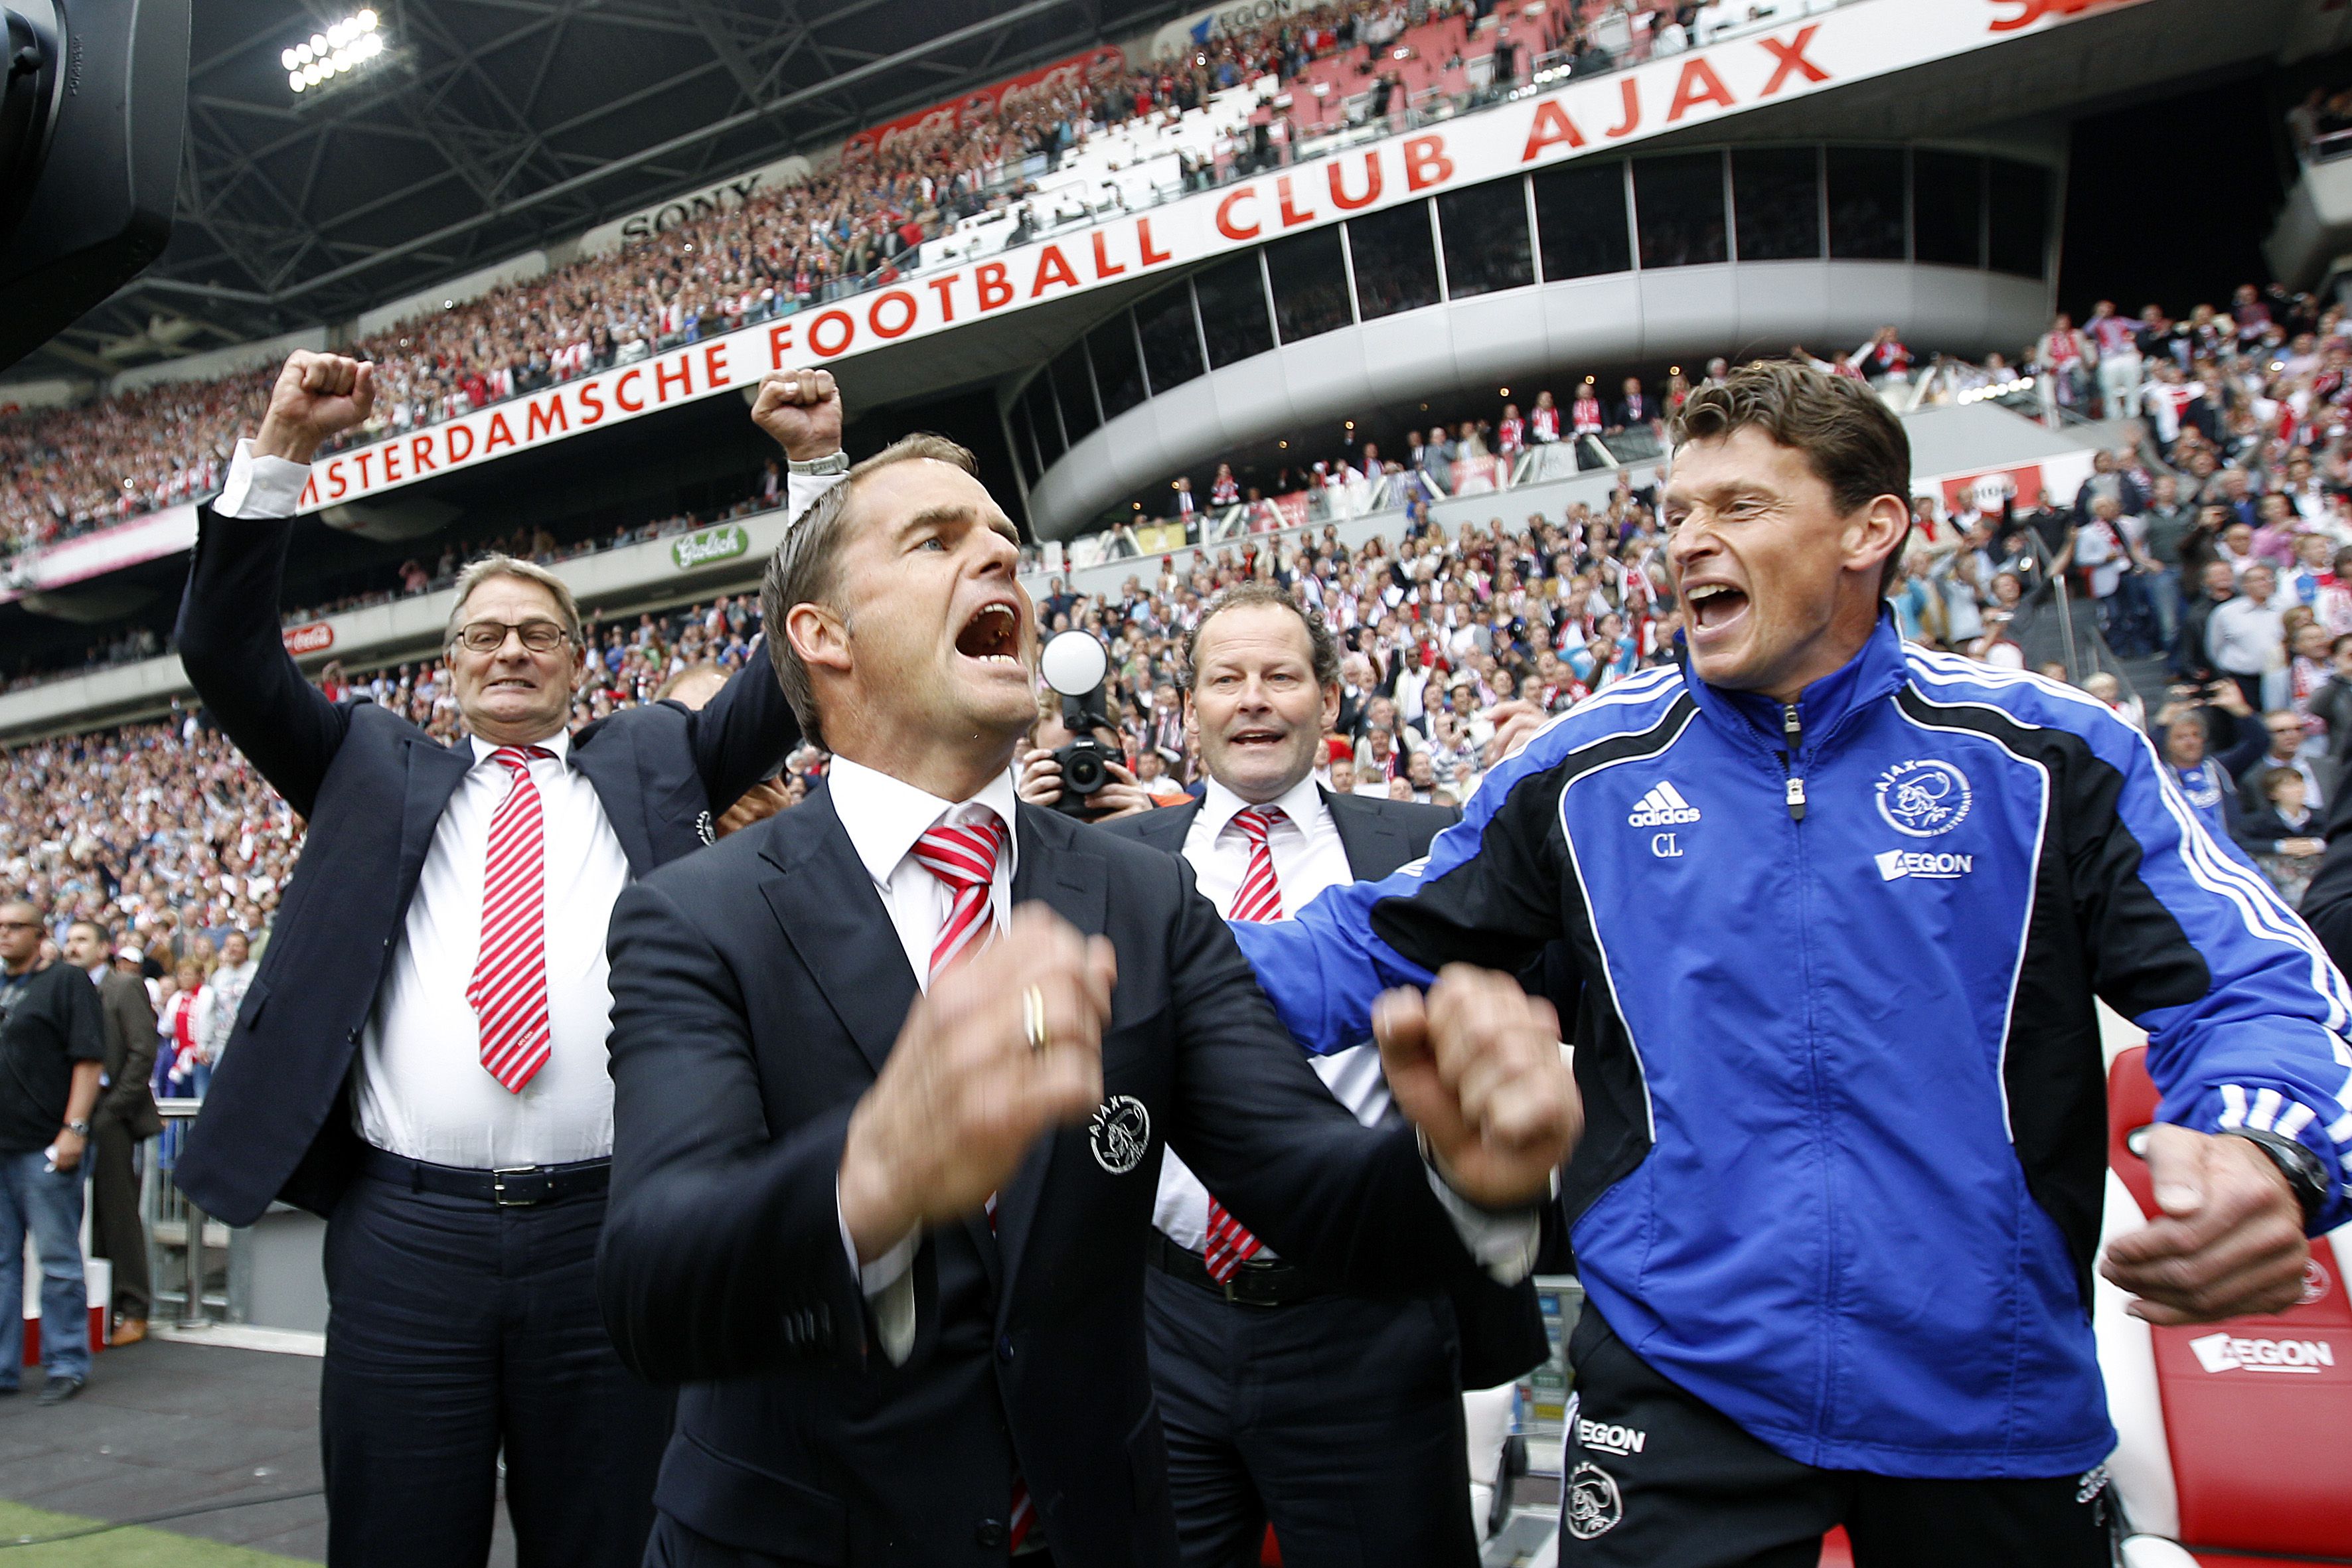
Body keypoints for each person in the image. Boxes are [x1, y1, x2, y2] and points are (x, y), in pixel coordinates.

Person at [1229, 362, 2348, 1567]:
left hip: (1990, 1391)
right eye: (1674, 514)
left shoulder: (2048, 757)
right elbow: (1361, 946)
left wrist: (2264, 1152)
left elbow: (2254, 983)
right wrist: (1117, 951)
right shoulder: (1580, 777)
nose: (1686, 543)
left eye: (1738, 509)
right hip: (1678, 1380)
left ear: (1869, 528)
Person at [594, 433, 1580, 1565]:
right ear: (823, 638)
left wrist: (1455, 1164)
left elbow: (1309, 1183)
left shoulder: (1143, 895)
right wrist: (869, 1178)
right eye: (936, 540)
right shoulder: (694, 916)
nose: (998, 565)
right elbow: (651, 1286)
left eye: (1007, 549)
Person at [166, 351, 822, 1568]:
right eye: (482, 637)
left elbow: (793, 678)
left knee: (617, 1540)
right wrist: (279, 450)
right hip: (409, 1240)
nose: (509, 651)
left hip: (614, 1233)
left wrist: (814, 471)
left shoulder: (658, 758)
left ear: (581, 659)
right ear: (450, 668)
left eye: (537, 633)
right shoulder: (367, 765)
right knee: (399, 1540)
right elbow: (224, 651)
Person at [1099, 582, 1545, 1568]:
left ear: (1329, 699)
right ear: (1187, 708)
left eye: (1278, 675)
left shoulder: (1429, 846)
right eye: (1226, 679)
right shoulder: (1104, 864)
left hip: (1367, 1321)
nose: (1252, 698)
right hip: (1160, 1326)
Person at [0, 896, 103, 1405]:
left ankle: (67, 1362)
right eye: (0, 926)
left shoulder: (66, 982)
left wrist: (74, 1129)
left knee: (59, 1259)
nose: (5, 934)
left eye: (17, 926)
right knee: (1, 1263)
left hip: (45, 1144)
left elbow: (88, 1060)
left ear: (41, 934)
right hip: (3, 1144)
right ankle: (3, 1367)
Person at [62, 919, 158, 1347]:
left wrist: (112, 1110)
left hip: (110, 1115)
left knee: (117, 1214)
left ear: (104, 948)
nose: (71, 947)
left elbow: (143, 1052)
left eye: (81, 940)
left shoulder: (122, 987)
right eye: (67, 940)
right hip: (73, 1115)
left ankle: (134, 1308)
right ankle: (99, 1308)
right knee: (84, 1217)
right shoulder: (66, 989)